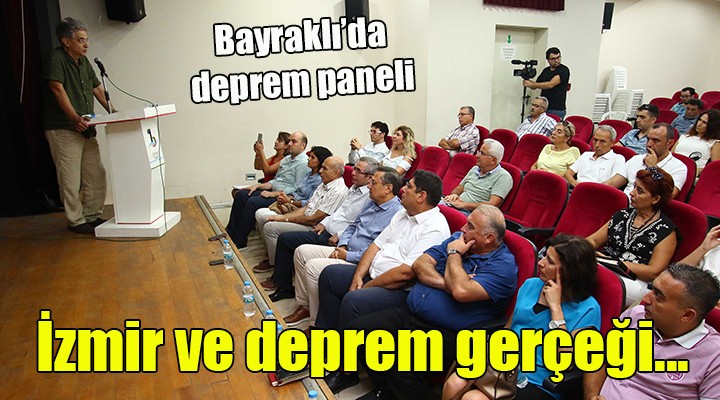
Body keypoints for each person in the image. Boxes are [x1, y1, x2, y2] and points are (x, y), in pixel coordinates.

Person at [337, 205, 518, 399]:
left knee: (403, 366)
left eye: (471, 226)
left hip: (451, 332)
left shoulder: (502, 266)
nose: (463, 228)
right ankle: (387, 390)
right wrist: (448, 284)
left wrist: (454, 254)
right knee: (357, 332)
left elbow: (461, 291)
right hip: (412, 314)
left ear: (488, 238)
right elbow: (420, 264)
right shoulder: (459, 238)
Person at [443, 234, 600, 400]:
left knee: (474, 398)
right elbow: (509, 329)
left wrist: (556, 309)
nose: (541, 263)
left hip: (540, 380)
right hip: (505, 365)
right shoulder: (531, 285)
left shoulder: (588, 309)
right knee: (454, 384)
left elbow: (565, 362)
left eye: (550, 261)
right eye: (544, 256)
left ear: (569, 271)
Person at [315, 170, 450, 333]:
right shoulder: (403, 213)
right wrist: (358, 276)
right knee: (330, 275)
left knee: (354, 299)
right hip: (374, 273)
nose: (403, 189)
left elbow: (405, 274)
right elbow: (375, 245)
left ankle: (346, 347)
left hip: (398, 289)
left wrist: (367, 286)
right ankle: (326, 334)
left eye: (409, 186)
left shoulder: (435, 228)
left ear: (421, 196)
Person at [281, 166, 403, 327]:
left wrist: (347, 255)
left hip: (360, 259)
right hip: (346, 248)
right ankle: (306, 306)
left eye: (373, 182)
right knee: (302, 252)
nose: (368, 186)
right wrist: (344, 244)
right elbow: (352, 226)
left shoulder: (397, 213)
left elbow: (379, 249)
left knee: (313, 267)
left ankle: (316, 323)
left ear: (388, 188)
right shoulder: (372, 202)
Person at [584, 264, 720, 400]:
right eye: (651, 289)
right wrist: (592, 395)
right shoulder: (637, 316)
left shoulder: (714, 357)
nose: (646, 299)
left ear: (687, 315)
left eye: (659, 296)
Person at [255, 156, 376, 284]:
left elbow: (357, 224)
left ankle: (281, 282)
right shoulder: (353, 189)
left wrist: (340, 235)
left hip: (334, 237)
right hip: (324, 229)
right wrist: (324, 223)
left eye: (358, 171)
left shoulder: (367, 197)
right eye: (354, 168)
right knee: (284, 237)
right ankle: (281, 278)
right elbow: (338, 213)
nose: (352, 172)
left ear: (369, 177)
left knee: (286, 239)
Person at [43, 18, 113, 234]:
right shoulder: (57, 58)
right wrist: (74, 118)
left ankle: (91, 215)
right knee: (70, 178)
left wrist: (114, 112)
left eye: (87, 39)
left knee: (96, 174)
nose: (86, 44)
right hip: (64, 128)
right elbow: (57, 88)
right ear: (66, 41)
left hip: (87, 127)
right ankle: (76, 221)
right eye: (81, 40)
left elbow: (96, 88)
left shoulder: (84, 62)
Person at [258, 156, 349, 302]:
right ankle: (279, 274)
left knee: (275, 231)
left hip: (313, 227)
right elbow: (307, 208)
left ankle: (280, 279)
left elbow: (314, 219)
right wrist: (283, 217)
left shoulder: (338, 191)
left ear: (336, 173)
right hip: (307, 220)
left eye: (324, 168)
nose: (320, 171)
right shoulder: (324, 184)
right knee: (272, 224)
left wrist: (285, 219)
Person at [589, 167, 677, 307]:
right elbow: (593, 240)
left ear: (656, 199)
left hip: (635, 281)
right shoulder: (622, 215)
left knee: (595, 277)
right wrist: (578, 249)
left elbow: (654, 271)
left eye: (639, 191)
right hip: (604, 266)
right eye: (634, 187)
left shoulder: (666, 231)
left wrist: (613, 262)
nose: (632, 193)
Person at [250, 146, 332, 273]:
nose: (308, 159)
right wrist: (288, 198)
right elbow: (297, 192)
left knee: (268, 222)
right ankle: (270, 254)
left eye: (312, 157)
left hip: (301, 211)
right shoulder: (308, 174)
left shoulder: (320, 181)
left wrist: (289, 205)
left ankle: (274, 262)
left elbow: (308, 205)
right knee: (260, 214)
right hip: (294, 204)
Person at [225, 131, 310, 248]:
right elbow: (276, 181)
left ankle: (239, 240)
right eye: (289, 141)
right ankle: (230, 232)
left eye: (294, 142)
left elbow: (296, 189)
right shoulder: (287, 159)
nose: (290, 144)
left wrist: (273, 194)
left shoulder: (303, 163)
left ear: (303, 146)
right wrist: (257, 186)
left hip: (283, 196)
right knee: (242, 194)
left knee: (252, 202)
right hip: (273, 190)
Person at [605, 123, 687, 199]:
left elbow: (667, 197)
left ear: (669, 143)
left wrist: (653, 168)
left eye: (655, 140)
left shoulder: (679, 167)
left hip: (647, 208)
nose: (649, 144)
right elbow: (611, 184)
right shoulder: (636, 159)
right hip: (624, 203)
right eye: (648, 139)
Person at [442, 139, 512, 214]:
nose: (477, 155)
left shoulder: (504, 177)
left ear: (493, 160)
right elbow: (459, 188)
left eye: (482, 153)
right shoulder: (475, 169)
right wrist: (454, 195)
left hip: (471, 213)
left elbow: (491, 205)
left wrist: (463, 205)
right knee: (434, 203)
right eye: (479, 151)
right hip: (455, 206)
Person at [523, 47, 570, 119]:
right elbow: (536, 85)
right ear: (548, 60)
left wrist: (532, 84)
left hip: (556, 109)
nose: (556, 60)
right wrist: (527, 81)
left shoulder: (563, 70)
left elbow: (550, 84)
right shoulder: (546, 70)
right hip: (543, 107)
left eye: (558, 57)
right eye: (553, 59)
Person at [673, 109, 720, 174]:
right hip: (673, 168)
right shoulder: (684, 137)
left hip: (692, 173)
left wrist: (700, 170)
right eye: (699, 120)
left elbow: (715, 169)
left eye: (704, 122)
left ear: (712, 126)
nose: (699, 124)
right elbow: (670, 155)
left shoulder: (715, 143)